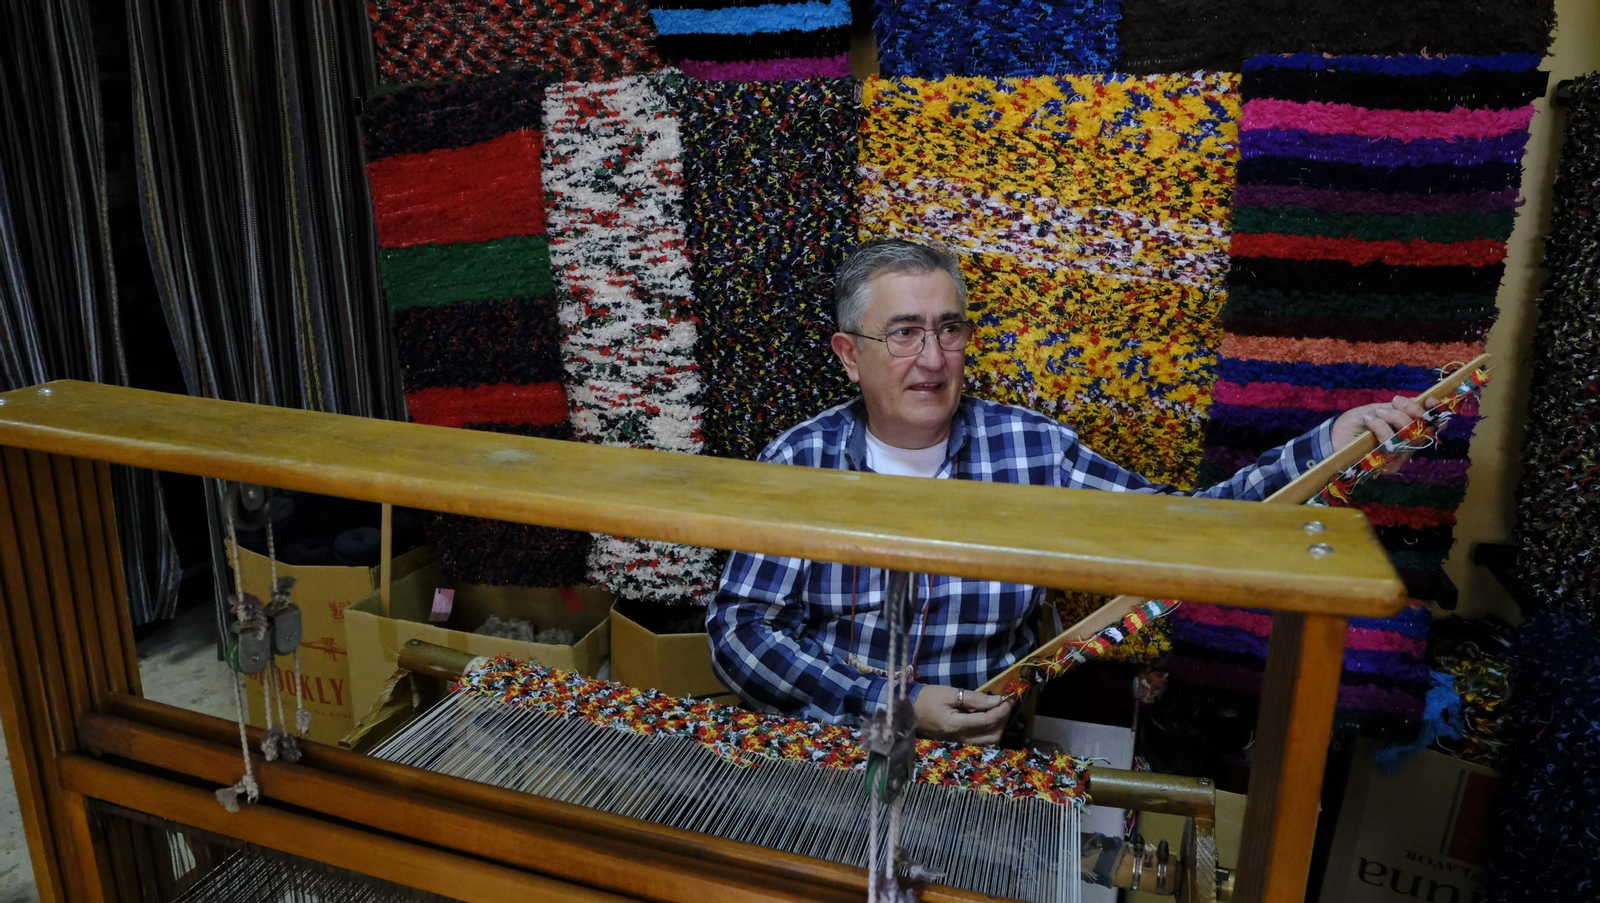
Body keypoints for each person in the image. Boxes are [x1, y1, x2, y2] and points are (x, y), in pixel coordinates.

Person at [706, 239, 1433, 745]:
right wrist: (891, 702)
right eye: (903, 333)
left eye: (949, 329)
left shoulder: (1035, 451)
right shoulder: (797, 461)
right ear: (848, 356)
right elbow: (741, 633)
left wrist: (1326, 446)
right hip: (836, 753)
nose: (931, 358)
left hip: (981, 766)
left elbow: (1178, 527)